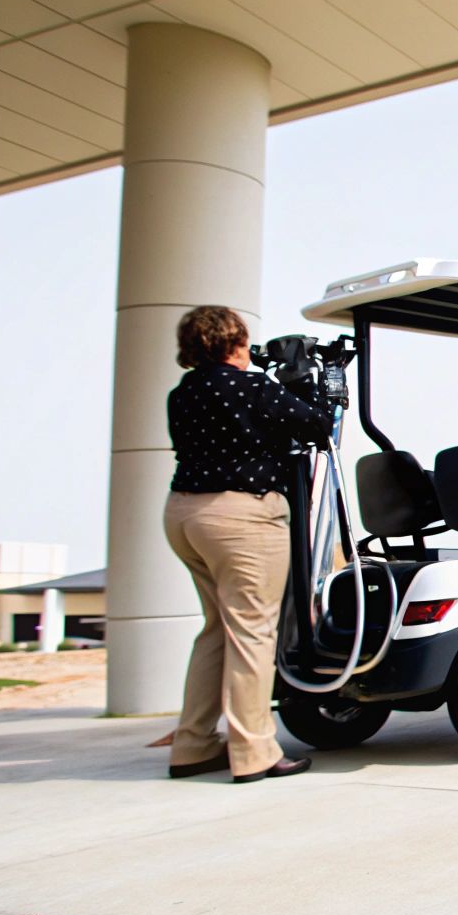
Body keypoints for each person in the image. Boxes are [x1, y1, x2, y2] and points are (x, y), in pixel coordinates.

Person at [163, 305, 331, 783]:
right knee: (253, 633)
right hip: (241, 517)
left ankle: (192, 746)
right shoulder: (251, 387)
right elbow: (317, 425)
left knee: (217, 629)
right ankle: (254, 750)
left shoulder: (183, 393)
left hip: (183, 513)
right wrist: (312, 386)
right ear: (234, 342)